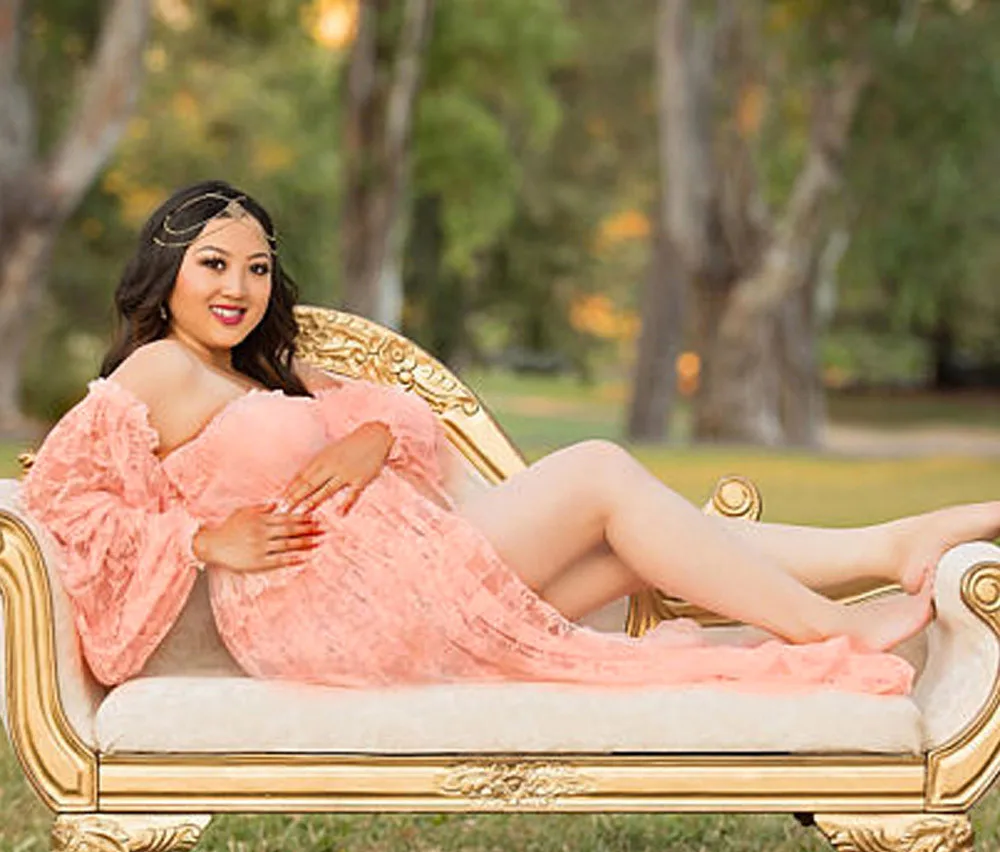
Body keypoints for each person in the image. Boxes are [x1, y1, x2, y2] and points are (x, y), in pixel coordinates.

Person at [19, 181, 1000, 696]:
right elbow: (63, 499)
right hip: (328, 616)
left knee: (631, 548)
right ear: (166, 272)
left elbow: (399, 424)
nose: (238, 287)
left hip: (398, 589)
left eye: (257, 268)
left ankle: (888, 546)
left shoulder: (259, 373)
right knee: (599, 471)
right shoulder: (158, 370)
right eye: (213, 264)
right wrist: (203, 540)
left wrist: (366, 439)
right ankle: (830, 626)